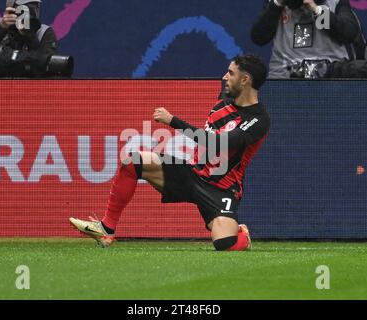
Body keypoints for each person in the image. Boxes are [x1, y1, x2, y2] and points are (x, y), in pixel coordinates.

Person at [69, 54, 271, 251]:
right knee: (132, 161)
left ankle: (241, 233)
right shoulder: (226, 97)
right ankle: (106, 228)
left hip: (221, 189)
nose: (224, 77)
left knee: (225, 244)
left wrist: (173, 121)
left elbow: (216, 143)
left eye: (231, 73)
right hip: (191, 173)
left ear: (245, 80)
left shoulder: (258, 120)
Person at [251, 0, 365, 79]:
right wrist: (276, 5)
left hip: (328, 77)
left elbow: (349, 34)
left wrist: (318, 11)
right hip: (284, 78)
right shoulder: (276, 5)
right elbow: (259, 38)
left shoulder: (334, 2)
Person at [0, 0, 57, 77]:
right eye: (27, 7)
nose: (31, 12)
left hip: (29, 85)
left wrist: (30, 36)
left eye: (35, 6)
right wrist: (1, 28)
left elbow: (47, 65)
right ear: (11, 8)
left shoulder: (44, 31)